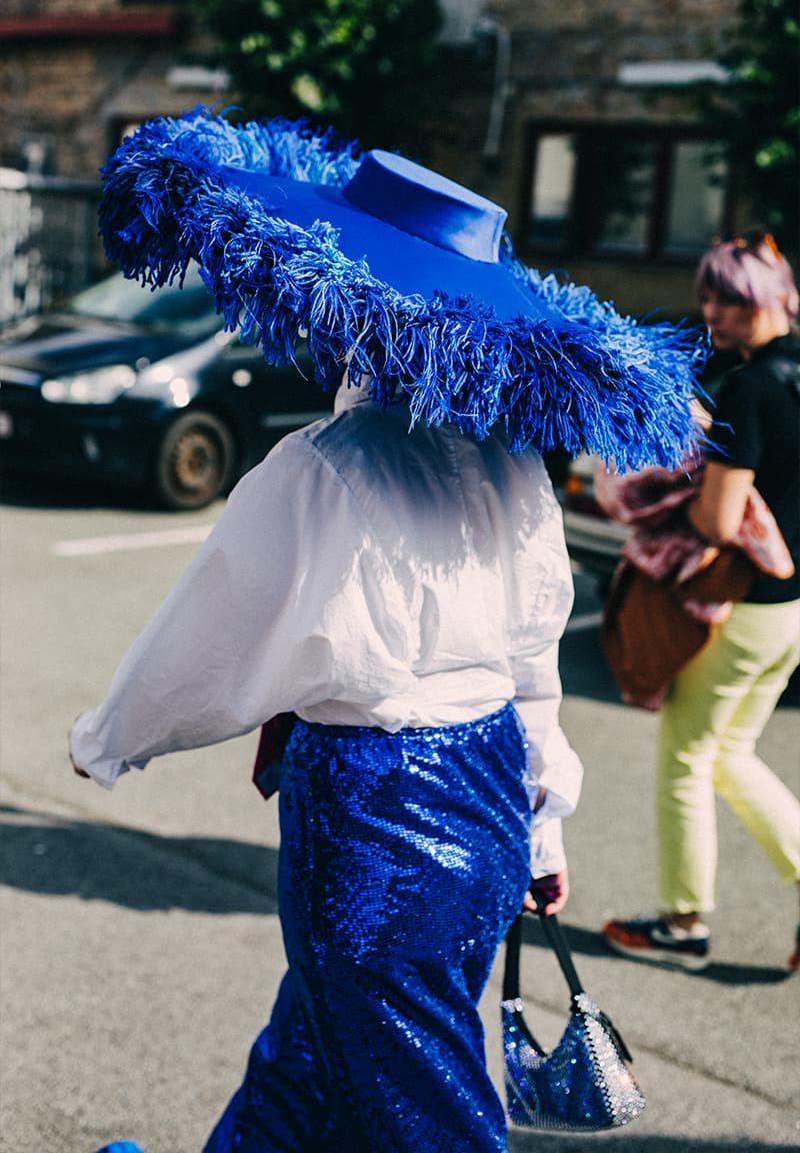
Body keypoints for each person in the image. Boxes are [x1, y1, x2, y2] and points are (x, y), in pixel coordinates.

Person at [71, 107, 703, 1153]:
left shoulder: (322, 465)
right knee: (315, 1063)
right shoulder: (514, 471)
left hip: (375, 812)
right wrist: (542, 826)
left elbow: (213, 634)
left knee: (425, 1109)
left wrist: (109, 737)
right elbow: (531, 659)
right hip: (490, 789)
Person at [603, 230, 800, 974]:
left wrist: (663, 494)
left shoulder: (748, 389)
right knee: (733, 754)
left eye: (727, 295)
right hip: (793, 610)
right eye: (707, 294)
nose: (712, 310)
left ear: (766, 296)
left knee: (688, 757)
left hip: (745, 607)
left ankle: (683, 920)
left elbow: (721, 521)